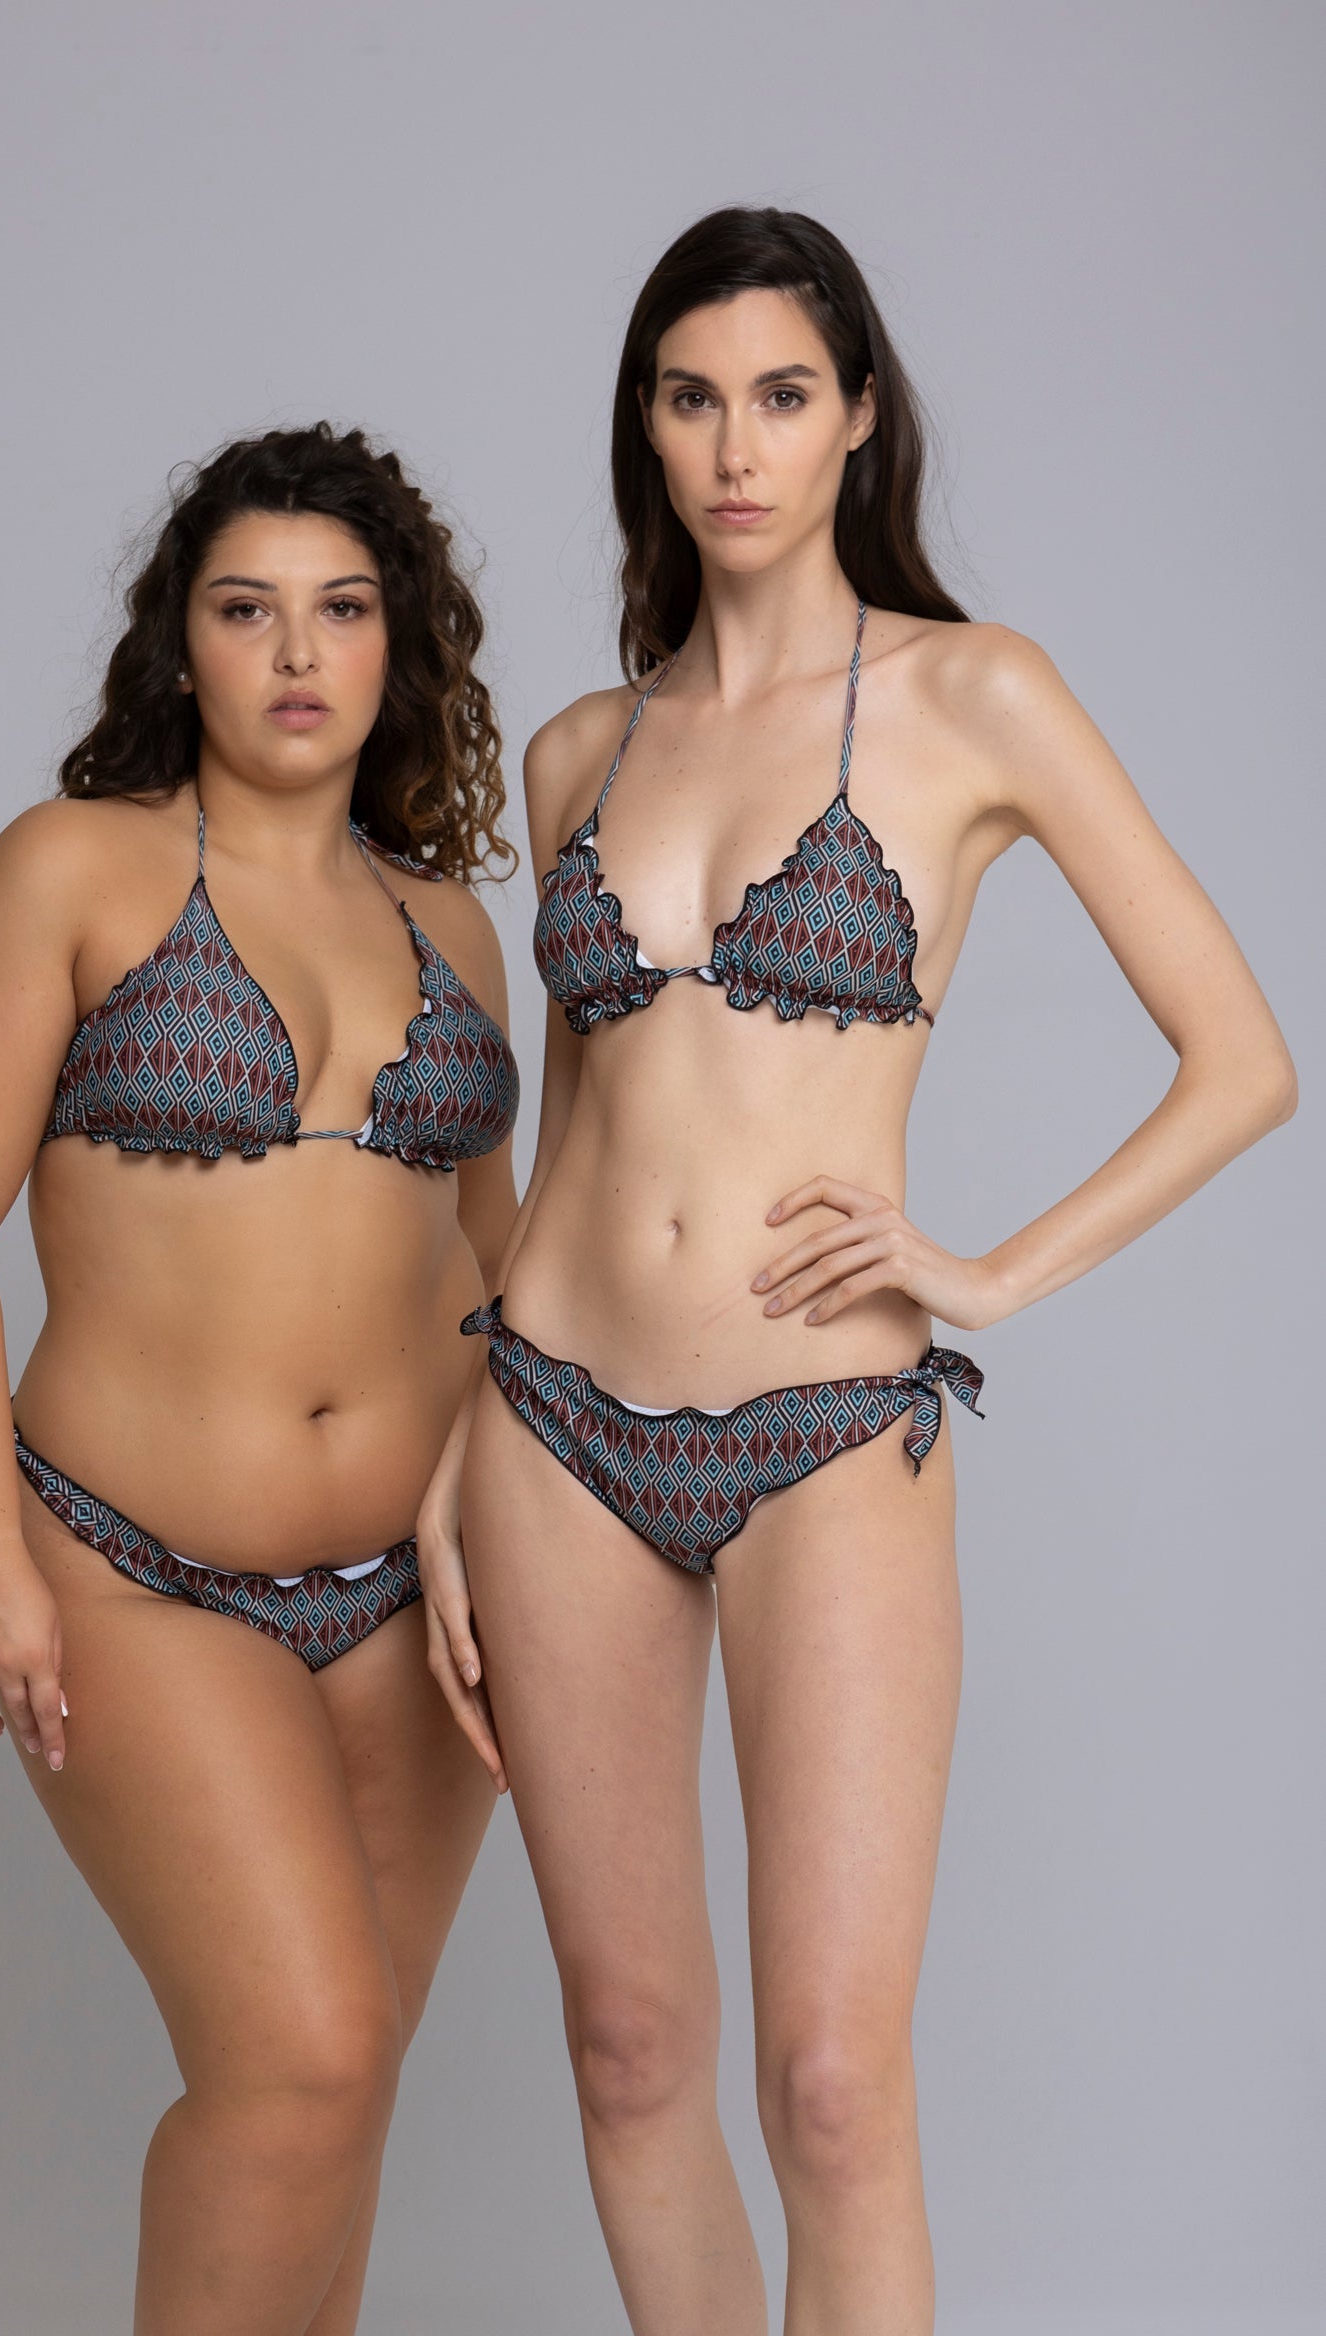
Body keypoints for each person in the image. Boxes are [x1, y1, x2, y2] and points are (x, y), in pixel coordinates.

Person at [421, 210, 1297, 2336]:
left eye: (780, 396)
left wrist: (982, 1272)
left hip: (826, 1427)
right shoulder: (578, 748)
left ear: (857, 420)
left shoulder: (970, 693)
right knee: (627, 2049)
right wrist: (462, 1440)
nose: (735, 447)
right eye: (689, 398)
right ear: (643, 427)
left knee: (829, 2084)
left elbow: (1244, 1058)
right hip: (550, 1430)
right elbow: (565, 1134)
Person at [0, 423, 519, 2336]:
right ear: (182, 643)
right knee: (302, 2062)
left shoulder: (449, 923)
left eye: (343, 609)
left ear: (401, 645)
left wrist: (549, 1528)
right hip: (133, 1569)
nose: (297, 653)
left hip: (418, 1591)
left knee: (344, 2097)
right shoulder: (73, 866)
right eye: (247, 610)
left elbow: (494, 1256)